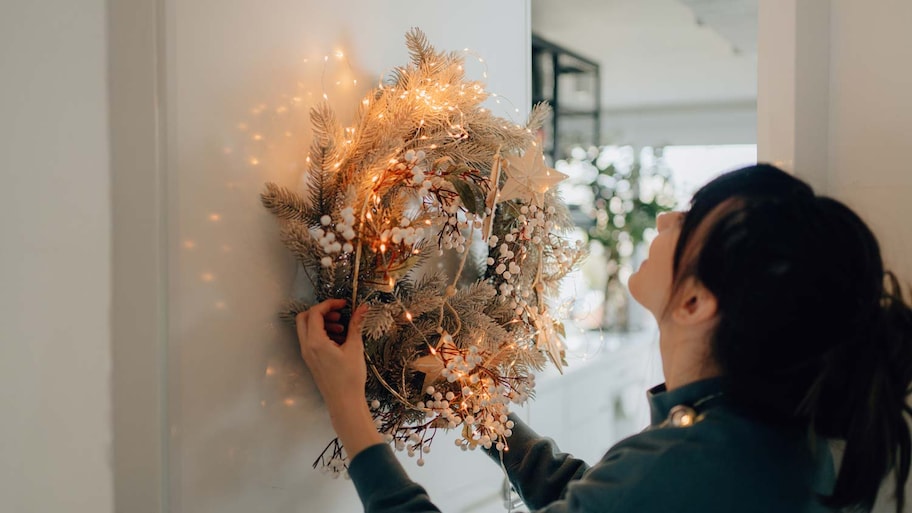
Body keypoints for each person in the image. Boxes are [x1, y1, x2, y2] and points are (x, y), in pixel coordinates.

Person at [294, 164, 912, 512]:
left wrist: (349, 409)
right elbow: (597, 499)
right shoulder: (743, 436)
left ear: (696, 302)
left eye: (692, 219)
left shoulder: (695, 461)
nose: (669, 218)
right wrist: (480, 407)